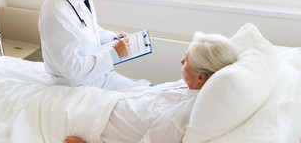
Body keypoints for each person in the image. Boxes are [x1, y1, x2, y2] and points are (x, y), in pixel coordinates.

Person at [64, 32, 238, 143]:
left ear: (201, 77)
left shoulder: (177, 116)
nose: (181, 62)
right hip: (103, 102)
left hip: (93, 123)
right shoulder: (189, 86)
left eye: (187, 61)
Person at [38, 0, 150, 91]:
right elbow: (71, 69)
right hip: (78, 86)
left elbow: (88, 29)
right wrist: (113, 54)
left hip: (97, 76)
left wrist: (114, 39)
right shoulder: (55, 13)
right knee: (144, 96)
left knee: (147, 87)